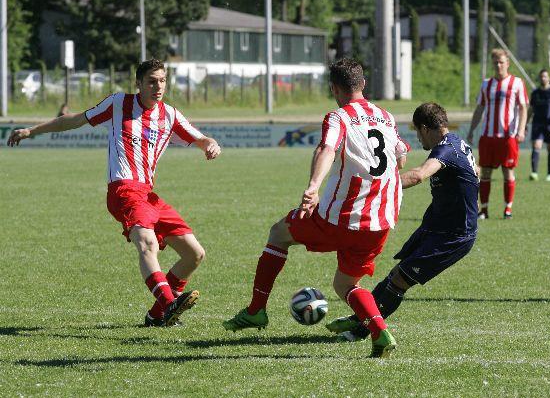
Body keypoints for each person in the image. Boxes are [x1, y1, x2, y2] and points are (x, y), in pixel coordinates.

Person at [7, 59, 221, 326]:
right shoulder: (119, 104)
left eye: (162, 81)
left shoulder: (170, 115)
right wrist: (31, 131)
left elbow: (202, 139)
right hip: (123, 189)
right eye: (152, 81)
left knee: (194, 254)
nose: (158, 86)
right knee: (148, 243)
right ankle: (169, 303)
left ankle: (156, 316)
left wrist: (211, 145)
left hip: (148, 195)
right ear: (139, 84)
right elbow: (73, 120)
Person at [222, 58, 409, 358]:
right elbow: (400, 156)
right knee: (345, 283)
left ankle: (256, 310)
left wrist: (313, 186)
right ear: (363, 84)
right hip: (380, 222)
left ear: (334, 88)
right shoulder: (386, 117)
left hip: (341, 217)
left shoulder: (338, 117)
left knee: (279, 233)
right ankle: (380, 332)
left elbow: (326, 148)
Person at [325, 102, 479, 341]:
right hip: (437, 228)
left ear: (426, 128)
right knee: (397, 273)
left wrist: (381, 185)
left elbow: (418, 175)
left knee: (399, 281)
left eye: (418, 132)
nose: (418, 139)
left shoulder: (446, 150)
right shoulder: (457, 142)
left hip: (454, 235)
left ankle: (360, 332)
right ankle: (361, 318)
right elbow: (472, 170)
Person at [467, 48, 528, 219]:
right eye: (496, 62)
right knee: (485, 173)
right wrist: (472, 130)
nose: (499, 65)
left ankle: (507, 209)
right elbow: (479, 108)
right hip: (488, 136)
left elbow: (523, 107)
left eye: (502, 62)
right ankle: (484, 210)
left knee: (508, 172)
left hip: (508, 137)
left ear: (507, 63)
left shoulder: (517, 83)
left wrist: (521, 129)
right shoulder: (486, 84)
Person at [526, 69, 550, 181]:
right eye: (541, 77)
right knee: (536, 146)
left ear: (548, 78)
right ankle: (534, 173)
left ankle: (549, 174)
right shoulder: (535, 93)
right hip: (537, 124)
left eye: (545, 76)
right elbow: (531, 109)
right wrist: (525, 123)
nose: (543, 78)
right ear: (539, 78)